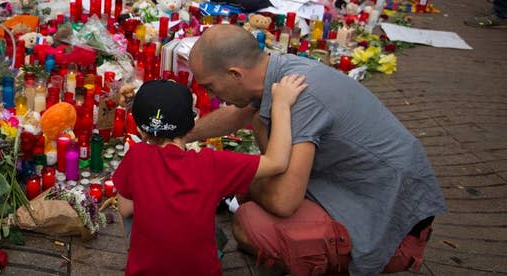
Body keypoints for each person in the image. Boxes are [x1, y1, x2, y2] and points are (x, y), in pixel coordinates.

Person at [186, 25, 447, 275]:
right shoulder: (276, 73)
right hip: (363, 188)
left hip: (392, 221)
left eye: (209, 86)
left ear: (235, 74)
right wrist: (181, 134)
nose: (210, 95)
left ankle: (346, 259)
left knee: (249, 222)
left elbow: (283, 201)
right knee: (258, 170)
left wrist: (238, 180)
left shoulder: (303, 97)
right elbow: (239, 114)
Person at [113, 75, 304, 276]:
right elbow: (277, 162)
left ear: (141, 130)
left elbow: (125, 210)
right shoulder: (212, 164)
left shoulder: (136, 157)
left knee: (133, 211)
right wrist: (281, 104)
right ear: (193, 123)